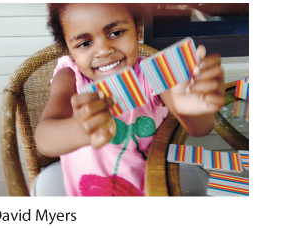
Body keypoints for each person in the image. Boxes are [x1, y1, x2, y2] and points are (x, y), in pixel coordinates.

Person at [35, 3, 225, 196]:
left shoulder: (153, 74)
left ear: (138, 30)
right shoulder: (70, 77)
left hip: (151, 188)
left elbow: (200, 129)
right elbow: (44, 140)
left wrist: (192, 109)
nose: (103, 50)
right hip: (88, 193)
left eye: (116, 33)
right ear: (69, 48)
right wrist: (81, 130)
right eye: (84, 44)